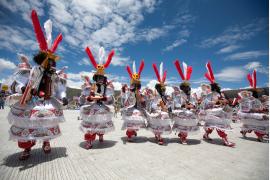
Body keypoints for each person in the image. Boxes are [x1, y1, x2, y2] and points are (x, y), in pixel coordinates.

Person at [7, 10, 66, 160]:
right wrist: (24, 89)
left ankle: (46, 142)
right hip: (30, 101)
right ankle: (27, 148)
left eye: (52, 61)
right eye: (49, 61)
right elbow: (14, 85)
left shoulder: (54, 75)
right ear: (42, 60)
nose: (51, 64)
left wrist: (63, 97)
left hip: (46, 101)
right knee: (27, 125)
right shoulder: (30, 71)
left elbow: (59, 89)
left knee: (46, 122)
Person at [80, 46, 115, 149]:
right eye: (98, 77)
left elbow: (111, 98)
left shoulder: (107, 88)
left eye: (101, 77)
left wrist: (105, 99)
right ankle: (90, 141)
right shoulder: (91, 86)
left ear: (104, 79)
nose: (100, 79)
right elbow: (83, 98)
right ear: (96, 78)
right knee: (91, 125)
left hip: (102, 107)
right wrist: (89, 98)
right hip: (92, 107)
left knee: (101, 124)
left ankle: (100, 135)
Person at [199, 61, 235, 147]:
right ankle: (225, 140)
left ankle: (206, 135)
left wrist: (224, 102)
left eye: (209, 87)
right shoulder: (208, 95)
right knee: (219, 125)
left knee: (213, 125)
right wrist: (217, 102)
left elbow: (221, 101)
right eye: (208, 87)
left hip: (217, 111)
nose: (208, 88)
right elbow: (207, 103)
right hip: (211, 111)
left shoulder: (218, 94)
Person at [171, 60, 199, 144]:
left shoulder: (191, 95)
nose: (187, 89)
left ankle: (183, 135)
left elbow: (194, 103)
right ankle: (183, 137)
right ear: (182, 88)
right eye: (186, 88)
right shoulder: (179, 95)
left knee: (189, 122)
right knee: (183, 122)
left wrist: (192, 106)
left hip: (189, 111)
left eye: (188, 88)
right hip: (181, 111)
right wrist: (183, 106)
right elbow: (176, 103)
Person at [238, 70, 269, 142]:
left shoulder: (256, 100)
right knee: (260, 122)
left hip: (250, 114)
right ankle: (259, 137)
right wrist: (258, 110)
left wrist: (262, 109)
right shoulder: (245, 100)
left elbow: (259, 107)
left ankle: (244, 132)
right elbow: (247, 109)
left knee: (259, 120)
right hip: (246, 114)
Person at [146, 62, 171, 145]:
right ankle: (159, 135)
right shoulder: (155, 94)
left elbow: (167, 104)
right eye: (161, 88)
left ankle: (159, 135)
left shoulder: (165, 95)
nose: (163, 89)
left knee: (162, 122)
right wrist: (158, 106)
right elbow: (152, 104)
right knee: (158, 122)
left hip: (163, 111)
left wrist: (165, 106)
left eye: (164, 88)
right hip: (156, 111)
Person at [121, 61, 147, 142]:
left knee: (136, 122)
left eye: (136, 85)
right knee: (130, 122)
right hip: (130, 108)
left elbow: (142, 101)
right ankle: (129, 135)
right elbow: (125, 99)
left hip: (137, 108)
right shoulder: (129, 92)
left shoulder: (140, 93)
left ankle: (133, 131)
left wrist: (141, 98)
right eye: (133, 85)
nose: (134, 86)